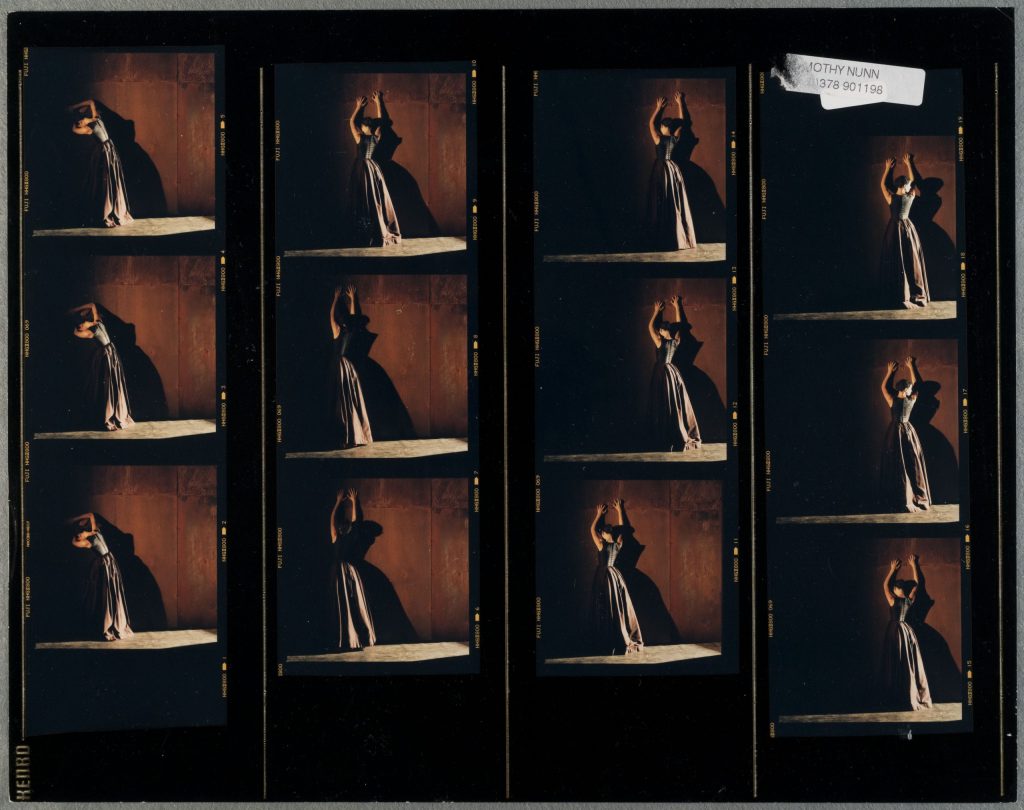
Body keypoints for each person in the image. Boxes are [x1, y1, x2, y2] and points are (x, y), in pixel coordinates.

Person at [66, 512, 133, 641]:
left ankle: (114, 624)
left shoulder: (95, 531)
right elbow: (73, 542)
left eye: (79, 532)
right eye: (78, 534)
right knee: (105, 595)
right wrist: (81, 533)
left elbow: (91, 514)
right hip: (104, 564)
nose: (79, 535)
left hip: (110, 562)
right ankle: (107, 627)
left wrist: (77, 519)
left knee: (113, 592)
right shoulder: (86, 542)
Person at [347, 90, 401, 247]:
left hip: (363, 167)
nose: (360, 127)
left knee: (363, 198)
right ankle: (371, 230)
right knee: (374, 199)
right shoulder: (376, 136)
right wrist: (379, 102)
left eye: (362, 125)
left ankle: (363, 233)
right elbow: (384, 122)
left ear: (364, 127)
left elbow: (351, 122)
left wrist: (358, 107)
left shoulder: (360, 137)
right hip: (373, 167)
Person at [589, 499, 644, 656]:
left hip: (605, 576)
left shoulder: (602, 544)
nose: (602, 533)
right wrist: (620, 510)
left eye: (604, 532)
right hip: (615, 576)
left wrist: (599, 514)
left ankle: (607, 639)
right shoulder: (618, 543)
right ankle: (611, 638)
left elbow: (592, 530)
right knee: (614, 607)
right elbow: (624, 530)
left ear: (606, 535)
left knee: (607, 607)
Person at [647, 295, 701, 451]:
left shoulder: (660, 341)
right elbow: (682, 326)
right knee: (673, 403)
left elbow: (650, 327)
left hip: (663, 372)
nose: (659, 331)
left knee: (663, 402)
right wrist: (678, 307)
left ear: (663, 331)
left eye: (661, 329)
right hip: (673, 371)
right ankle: (672, 432)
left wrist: (656, 312)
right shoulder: (676, 341)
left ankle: (664, 435)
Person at [879, 555, 933, 710]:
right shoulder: (910, 599)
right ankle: (908, 693)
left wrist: (891, 570)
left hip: (895, 630)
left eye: (895, 589)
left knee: (895, 661)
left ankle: (895, 694)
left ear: (897, 589)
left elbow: (885, 585)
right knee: (908, 662)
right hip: (907, 630)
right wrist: (914, 565)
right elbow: (918, 584)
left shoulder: (893, 599)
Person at [68, 99, 133, 228]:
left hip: (111, 150)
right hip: (104, 153)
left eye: (81, 119)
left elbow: (91, 101)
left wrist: (74, 106)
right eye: (79, 122)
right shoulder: (87, 129)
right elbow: (73, 129)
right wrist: (80, 121)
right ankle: (107, 211)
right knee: (105, 182)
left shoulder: (95, 118)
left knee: (112, 179)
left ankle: (115, 210)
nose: (80, 122)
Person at [70, 302, 134, 431]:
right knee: (109, 384)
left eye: (81, 324)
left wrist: (76, 308)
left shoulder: (96, 321)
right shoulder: (88, 331)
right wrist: (77, 317)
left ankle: (116, 414)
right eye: (79, 325)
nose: (80, 326)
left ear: (84, 321)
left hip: (111, 353)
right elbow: (75, 332)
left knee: (113, 383)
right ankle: (109, 415)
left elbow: (92, 304)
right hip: (107, 354)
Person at [879, 356, 932, 512]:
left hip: (902, 432)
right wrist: (890, 372)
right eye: (909, 388)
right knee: (898, 463)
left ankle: (909, 497)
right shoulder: (895, 399)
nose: (911, 390)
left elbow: (917, 385)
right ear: (904, 389)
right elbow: (884, 387)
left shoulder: (907, 398)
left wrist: (911, 367)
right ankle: (900, 497)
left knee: (909, 461)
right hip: (900, 432)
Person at [646, 91, 697, 251]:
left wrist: (658, 108)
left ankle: (661, 236)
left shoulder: (659, 138)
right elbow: (683, 123)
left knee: (661, 200)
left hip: (662, 168)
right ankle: (675, 237)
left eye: (662, 126)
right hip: (673, 169)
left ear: (664, 127)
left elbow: (651, 124)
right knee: (674, 201)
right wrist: (681, 102)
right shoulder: (675, 137)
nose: (659, 127)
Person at [880, 153, 930, 308]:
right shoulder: (910, 195)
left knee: (900, 259)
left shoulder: (892, 197)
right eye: (908, 185)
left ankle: (903, 293)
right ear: (904, 186)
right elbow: (913, 182)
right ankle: (909, 294)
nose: (910, 186)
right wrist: (908, 164)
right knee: (906, 259)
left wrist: (888, 169)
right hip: (907, 228)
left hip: (895, 229)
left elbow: (883, 185)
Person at [328, 489, 376, 651]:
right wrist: (352, 501)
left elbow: (350, 521)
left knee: (348, 602)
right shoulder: (346, 536)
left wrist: (341, 502)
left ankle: (352, 637)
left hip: (345, 569)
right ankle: (351, 637)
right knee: (348, 602)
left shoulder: (341, 536)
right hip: (348, 569)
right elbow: (356, 521)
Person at [330, 285, 373, 448]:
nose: (344, 321)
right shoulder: (338, 331)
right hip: (342, 367)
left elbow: (354, 317)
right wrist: (335, 300)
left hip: (349, 367)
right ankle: (347, 436)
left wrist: (353, 298)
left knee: (352, 400)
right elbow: (332, 318)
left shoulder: (349, 330)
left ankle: (354, 436)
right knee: (344, 401)